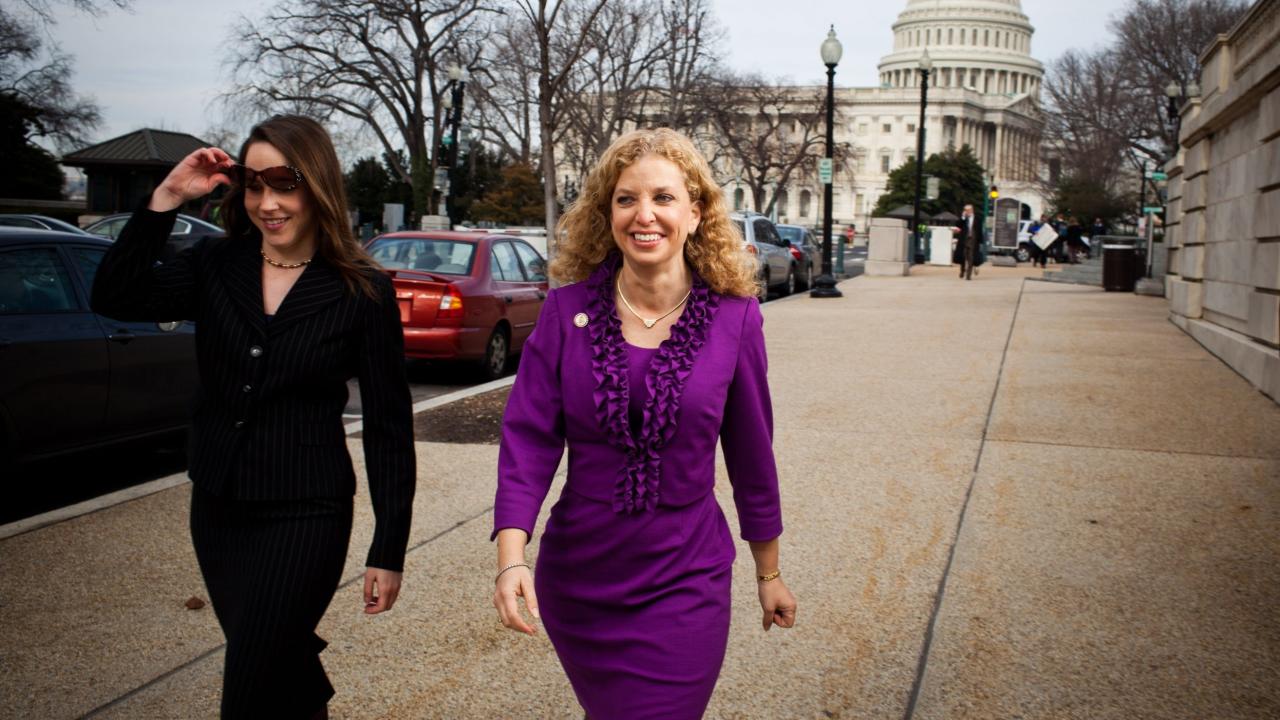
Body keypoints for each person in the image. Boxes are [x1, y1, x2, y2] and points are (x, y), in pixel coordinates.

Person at [91, 115, 415, 719]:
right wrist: (166, 198)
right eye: (254, 185)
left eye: (284, 184)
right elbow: (114, 295)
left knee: (247, 681)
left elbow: (390, 425)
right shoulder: (216, 266)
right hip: (218, 506)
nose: (268, 203)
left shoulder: (362, 290)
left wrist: (388, 545)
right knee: (273, 661)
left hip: (306, 512)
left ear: (316, 185)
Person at [491, 128, 797, 719]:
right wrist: (512, 557)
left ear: (696, 210)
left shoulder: (736, 320)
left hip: (685, 577)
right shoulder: (565, 311)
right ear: (607, 213)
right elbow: (527, 443)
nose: (644, 215)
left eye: (663, 197)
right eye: (626, 199)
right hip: (581, 578)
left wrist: (769, 573)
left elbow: (753, 458)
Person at [953, 203, 982, 280]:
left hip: (973, 240)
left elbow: (979, 230)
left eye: (968, 210)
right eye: (965, 210)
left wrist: (980, 241)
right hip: (964, 240)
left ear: (972, 210)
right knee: (963, 256)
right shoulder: (964, 219)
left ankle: (968, 275)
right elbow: (958, 225)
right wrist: (962, 217)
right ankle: (962, 270)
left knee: (971, 257)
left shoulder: (977, 219)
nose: (967, 211)